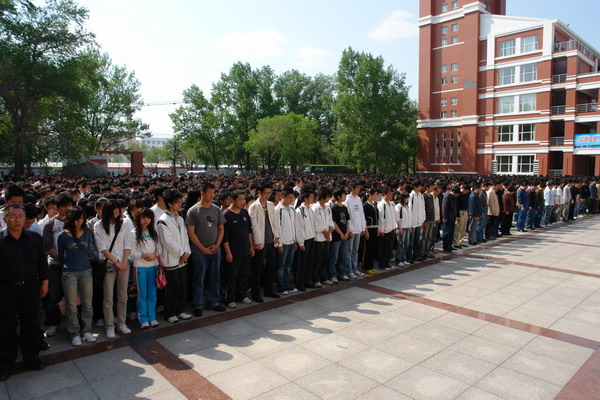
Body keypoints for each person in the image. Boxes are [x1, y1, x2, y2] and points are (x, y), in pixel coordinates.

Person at [0, 205, 49, 381]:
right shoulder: (1, 240)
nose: (17, 220)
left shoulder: (34, 238)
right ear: (5, 219)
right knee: (6, 327)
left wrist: (45, 282)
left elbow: (42, 262)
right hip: (6, 290)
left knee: (31, 325)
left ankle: (32, 358)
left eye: (20, 216)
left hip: (30, 287)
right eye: (13, 216)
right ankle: (6, 363)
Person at [56, 206, 97, 346]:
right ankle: (74, 333)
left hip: (86, 270)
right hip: (69, 273)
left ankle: (87, 331)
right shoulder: (62, 236)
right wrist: (65, 268)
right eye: (76, 219)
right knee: (71, 305)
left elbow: (90, 251)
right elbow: (60, 257)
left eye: (81, 219)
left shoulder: (87, 233)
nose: (79, 222)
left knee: (88, 303)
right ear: (70, 219)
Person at [186, 182, 226, 316]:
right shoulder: (193, 211)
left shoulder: (216, 209)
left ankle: (214, 301)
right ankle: (198, 304)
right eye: (209, 193)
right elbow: (191, 232)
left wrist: (217, 245)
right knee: (199, 279)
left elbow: (221, 229)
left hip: (215, 250)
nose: (212, 195)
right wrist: (202, 248)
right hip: (199, 252)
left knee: (215, 278)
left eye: (213, 193)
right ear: (202, 193)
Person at [94, 199, 132, 338]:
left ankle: (122, 323)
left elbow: (128, 244)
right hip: (109, 264)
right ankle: (109, 325)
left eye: (117, 213)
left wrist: (124, 262)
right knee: (108, 297)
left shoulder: (123, 223)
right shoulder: (98, 226)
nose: (116, 216)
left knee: (122, 296)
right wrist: (117, 263)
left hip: (123, 262)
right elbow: (103, 248)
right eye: (113, 213)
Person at [157, 189, 192, 323]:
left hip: (183, 259)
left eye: (180, 201)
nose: (180, 204)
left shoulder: (180, 218)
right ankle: (170, 313)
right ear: (170, 204)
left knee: (182, 286)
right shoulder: (163, 220)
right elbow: (168, 242)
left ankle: (180, 310)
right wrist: (182, 253)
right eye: (177, 202)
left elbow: (185, 237)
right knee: (172, 288)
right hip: (171, 259)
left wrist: (187, 253)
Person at [41, 191, 73, 337]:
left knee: (73, 296)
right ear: (58, 207)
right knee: (53, 295)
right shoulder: (50, 224)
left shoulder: (74, 221)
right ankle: (52, 323)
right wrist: (62, 259)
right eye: (64, 206)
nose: (67, 208)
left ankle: (74, 323)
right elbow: (48, 247)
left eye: (69, 205)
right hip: (55, 265)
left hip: (73, 266)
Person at [248, 181, 281, 302]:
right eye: (265, 193)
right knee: (257, 269)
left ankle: (269, 290)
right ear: (259, 193)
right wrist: (257, 242)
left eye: (269, 193)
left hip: (270, 240)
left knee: (271, 267)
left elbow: (275, 222)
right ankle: (255, 293)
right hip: (260, 242)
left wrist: (277, 236)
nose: (267, 195)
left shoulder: (271, 205)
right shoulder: (253, 207)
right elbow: (254, 226)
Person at [222, 190, 254, 308]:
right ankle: (230, 299)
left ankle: (242, 295)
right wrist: (228, 252)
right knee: (231, 277)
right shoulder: (226, 214)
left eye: (243, 199)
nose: (242, 202)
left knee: (243, 275)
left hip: (245, 250)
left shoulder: (244, 213)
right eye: (240, 199)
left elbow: (249, 232)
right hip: (233, 252)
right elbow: (225, 237)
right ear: (232, 199)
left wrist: (251, 247)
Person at [130, 208, 161, 329]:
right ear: (138, 219)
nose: (146, 220)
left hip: (153, 265)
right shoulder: (133, 233)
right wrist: (144, 255)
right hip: (140, 267)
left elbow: (159, 248)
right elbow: (132, 252)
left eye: (148, 217)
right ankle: (143, 318)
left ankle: (152, 317)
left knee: (152, 293)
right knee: (142, 293)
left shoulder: (154, 232)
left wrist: (154, 255)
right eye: (143, 217)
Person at [274, 188, 297, 294]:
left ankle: (287, 284)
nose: (291, 200)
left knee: (288, 266)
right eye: (289, 198)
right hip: (283, 243)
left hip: (291, 241)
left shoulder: (292, 209)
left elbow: (294, 226)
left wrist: (295, 241)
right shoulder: (278, 210)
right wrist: (279, 244)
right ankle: (280, 286)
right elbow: (276, 228)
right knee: (281, 267)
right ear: (283, 197)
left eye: (293, 198)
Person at [343, 180, 367, 278]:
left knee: (355, 251)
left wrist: (362, 227)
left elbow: (361, 214)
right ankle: (349, 270)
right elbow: (347, 217)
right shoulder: (347, 200)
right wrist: (350, 230)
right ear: (352, 188)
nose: (359, 189)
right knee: (348, 251)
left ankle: (354, 268)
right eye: (357, 188)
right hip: (352, 230)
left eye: (360, 188)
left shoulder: (358, 199)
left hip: (358, 229)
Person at [312, 186, 335, 283]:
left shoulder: (328, 207)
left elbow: (330, 221)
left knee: (325, 259)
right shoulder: (315, 208)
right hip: (319, 238)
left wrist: (329, 232)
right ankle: (316, 279)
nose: (329, 199)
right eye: (328, 197)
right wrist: (326, 233)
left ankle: (324, 277)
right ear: (323, 196)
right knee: (317, 260)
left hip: (327, 238)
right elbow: (317, 224)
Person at [328, 188, 351, 282]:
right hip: (337, 236)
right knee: (334, 257)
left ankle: (342, 273)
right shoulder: (333, 208)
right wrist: (341, 233)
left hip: (345, 236)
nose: (345, 196)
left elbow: (347, 221)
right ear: (338, 196)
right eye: (344, 194)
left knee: (344, 256)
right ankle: (332, 274)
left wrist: (347, 232)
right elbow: (333, 222)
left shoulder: (344, 207)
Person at [295, 190, 316, 289]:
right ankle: (300, 283)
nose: (313, 199)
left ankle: (307, 280)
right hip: (304, 240)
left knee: (309, 262)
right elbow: (298, 227)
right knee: (301, 263)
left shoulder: (310, 209)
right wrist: (300, 243)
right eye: (311, 197)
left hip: (311, 238)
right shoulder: (299, 210)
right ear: (305, 198)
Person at [377, 187, 399, 270]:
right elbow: (381, 218)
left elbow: (395, 216)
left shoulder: (392, 204)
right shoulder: (381, 205)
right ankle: (382, 264)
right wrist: (381, 230)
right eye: (389, 194)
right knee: (383, 248)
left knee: (389, 248)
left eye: (392, 194)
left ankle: (387, 263)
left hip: (391, 229)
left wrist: (395, 226)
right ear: (385, 194)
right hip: (384, 230)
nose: (391, 196)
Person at [362, 188, 379, 274]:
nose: (376, 196)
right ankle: (366, 267)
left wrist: (378, 228)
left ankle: (371, 266)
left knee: (372, 248)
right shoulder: (365, 206)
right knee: (368, 248)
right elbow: (364, 219)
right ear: (370, 195)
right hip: (369, 228)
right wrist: (366, 231)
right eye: (375, 195)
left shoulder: (375, 204)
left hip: (375, 228)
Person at [442, 186, 460, 252]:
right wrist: (445, 217)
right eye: (456, 194)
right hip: (448, 217)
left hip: (453, 217)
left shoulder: (454, 197)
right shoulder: (447, 196)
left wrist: (457, 215)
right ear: (453, 191)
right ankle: (446, 246)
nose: (457, 195)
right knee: (447, 232)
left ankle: (450, 245)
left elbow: (456, 207)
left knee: (451, 232)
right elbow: (444, 207)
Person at [395, 192, 411, 266]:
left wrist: (410, 226)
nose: (407, 199)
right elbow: (397, 218)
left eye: (408, 198)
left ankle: (404, 259)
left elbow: (409, 217)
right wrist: (400, 228)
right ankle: (398, 260)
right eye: (406, 198)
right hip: (401, 227)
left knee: (406, 244)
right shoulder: (398, 206)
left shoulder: (407, 206)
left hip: (407, 227)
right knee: (400, 244)